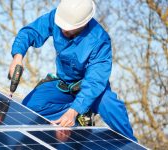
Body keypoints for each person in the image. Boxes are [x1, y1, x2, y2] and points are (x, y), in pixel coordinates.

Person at [8, 0, 137, 141]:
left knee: (111, 107)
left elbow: (95, 81)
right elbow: (31, 32)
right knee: (29, 107)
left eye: (69, 28)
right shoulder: (58, 17)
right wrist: (18, 56)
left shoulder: (99, 40)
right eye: (62, 26)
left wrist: (75, 109)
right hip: (64, 85)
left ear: (83, 24)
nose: (63, 30)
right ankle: (78, 115)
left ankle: (132, 144)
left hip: (90, 89)